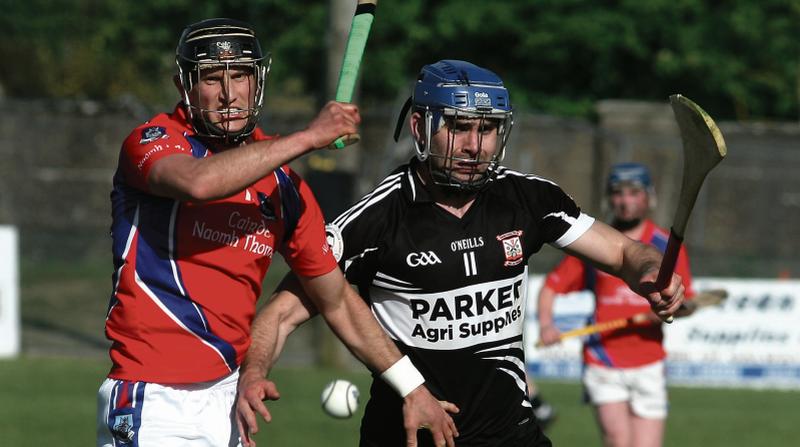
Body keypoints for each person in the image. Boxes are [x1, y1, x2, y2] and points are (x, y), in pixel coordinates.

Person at [236, 60, 686, 447]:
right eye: (459, 127)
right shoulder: (375, 220)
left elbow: (626, 252)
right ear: (421, 127)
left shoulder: (529, 200)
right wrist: (255, 373)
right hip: (408, 434)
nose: (475, 146)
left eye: (488, 129)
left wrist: (650, 272)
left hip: (511, 432)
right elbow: (279, 315)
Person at [96, 18, 454, 447]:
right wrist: (308, 137)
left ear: (258, 81)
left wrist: (412, 388)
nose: (229, 93)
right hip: (154, 399)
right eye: (212, 78)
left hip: (230, 402)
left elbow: (336, 298)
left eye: (242, 75)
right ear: (184, 86)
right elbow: (198, 183)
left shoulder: (284, 186)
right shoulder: (154, 141)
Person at [536, 162, 695, 447]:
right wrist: (547, 324)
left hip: (649, 362)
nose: (625, 200)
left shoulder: (667, 246)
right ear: (609, 198)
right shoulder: (596, 242)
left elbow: (685, 304)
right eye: (618, 193)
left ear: (649, 196)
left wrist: (665, 312)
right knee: (617, 441)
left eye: (634, 192)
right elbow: (551, 287)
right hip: (603, 360)